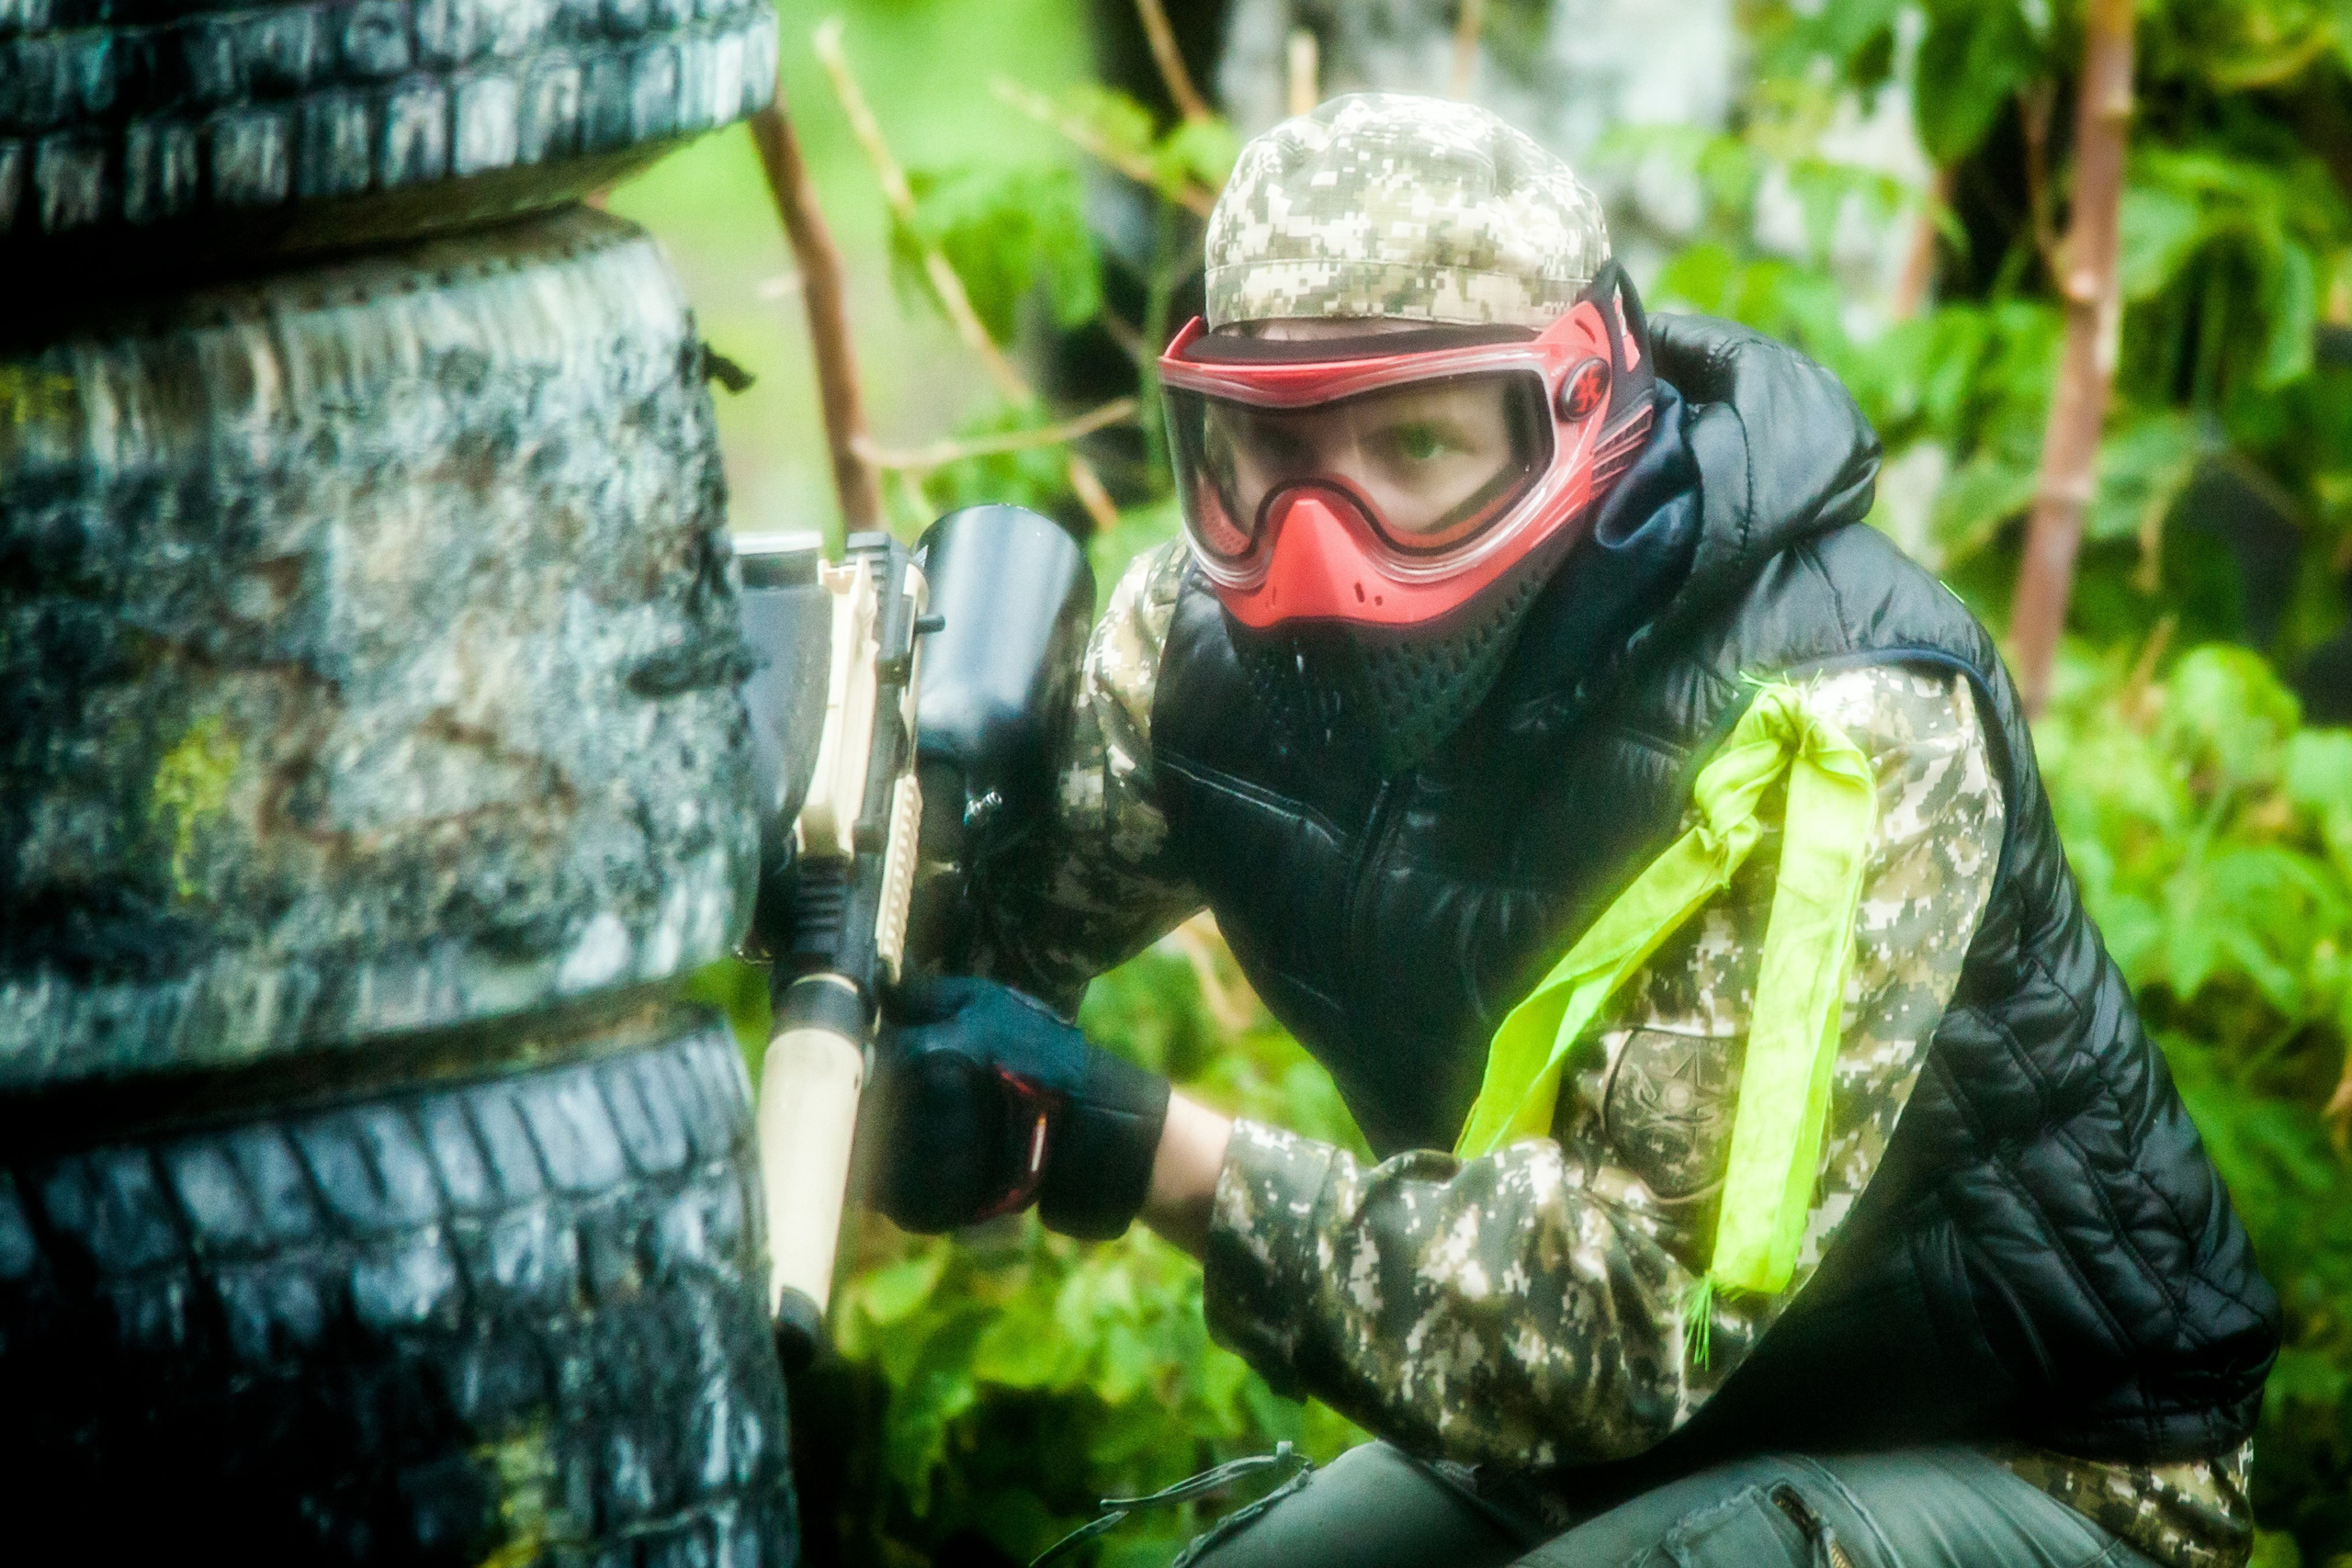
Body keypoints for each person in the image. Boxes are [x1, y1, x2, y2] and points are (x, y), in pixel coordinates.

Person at [861, 94, 2278, 1567]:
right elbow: (971, 946)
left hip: (2040, 1466)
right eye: (1265, 451)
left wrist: (1142, 1153)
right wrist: (892, 809)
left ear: (1583, 401)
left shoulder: (1838, 722)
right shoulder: (1206, 646)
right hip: (1619, 1453)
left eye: (1414, 444)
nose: (1320, 547)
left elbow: (1620, 1322)